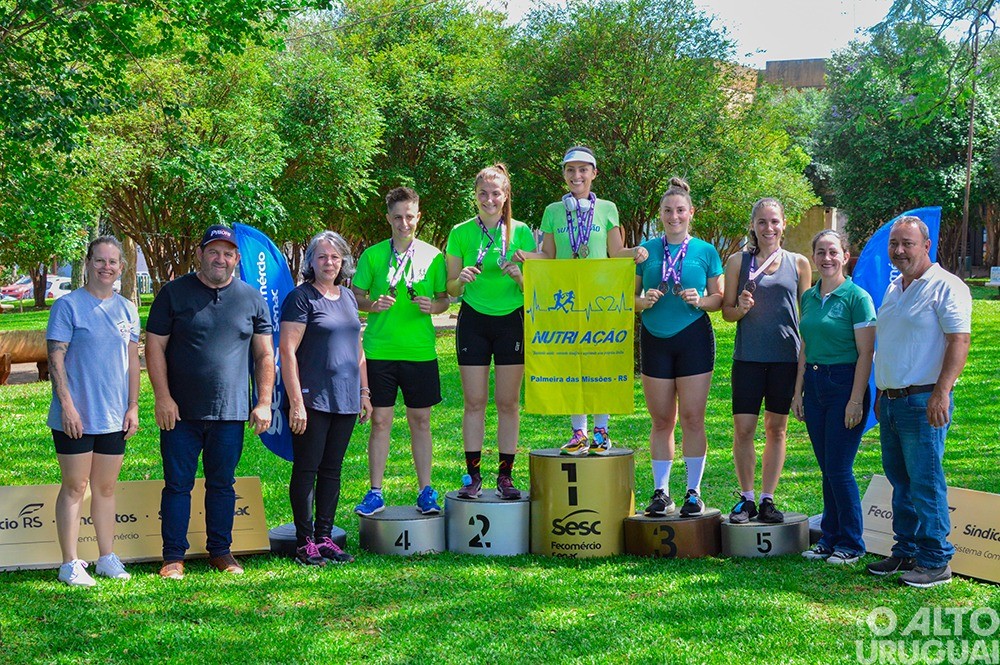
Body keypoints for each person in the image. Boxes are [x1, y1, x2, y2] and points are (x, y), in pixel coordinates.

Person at [146, 224, 274, 580]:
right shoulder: (173, 294)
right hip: (180, 413)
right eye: (214, 252)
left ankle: (221, 551)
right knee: (177, 485)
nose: (221, 259)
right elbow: (154, 347)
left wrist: (263, 402)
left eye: (228, 253)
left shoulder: (251, 298)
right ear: (200, 254)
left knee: (222, 484)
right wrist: (163, 397)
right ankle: (173, 556)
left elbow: (265, 355)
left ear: (236, 258)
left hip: (230, 412)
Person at [866, 216, 971, 588]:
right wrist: (880, 394)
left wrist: (942, 392)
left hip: (924, 400)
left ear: (927, 246)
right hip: (893, 402)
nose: (899, 251)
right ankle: (906, 551)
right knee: (901, 482)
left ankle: (936, 560)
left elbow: (959, 341)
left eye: (907, 244)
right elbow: (890, 347)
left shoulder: (947, 286)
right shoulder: (895, 288)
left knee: (925, 482)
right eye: (894, 243)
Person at [533, 145, 647, 455]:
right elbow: (548, 254)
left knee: (600, 360)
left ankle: (601, 431)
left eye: (583, 169)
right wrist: (525, 257)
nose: (577, 175)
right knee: (572, 361)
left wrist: (636, 253)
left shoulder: (608, 208)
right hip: (567, 299)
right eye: (570, 170)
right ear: (564, 176)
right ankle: (578, 432)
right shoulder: (553, 211)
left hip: (599, 298)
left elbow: (615, 252)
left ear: (594, 174)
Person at [47, 236, 140, 586]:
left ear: (121, 267)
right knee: (75, 486)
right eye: (99, 260)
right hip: (76, 416)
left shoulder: (127, 310)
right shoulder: (68, 306)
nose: (106, 267)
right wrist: (67, 406)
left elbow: (133, 363)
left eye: (113, 262)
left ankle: (106, 557)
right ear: (87, 263)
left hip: (113, 415)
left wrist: (133, 407)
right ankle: (70, 563)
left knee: (105, 488)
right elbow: (56, 358)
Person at [351, 188, 449, 516]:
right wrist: (372, 305)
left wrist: (433, 306)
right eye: (397, 217)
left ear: (418, 216)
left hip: (419, 351)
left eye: (409, 216)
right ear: (388, 218)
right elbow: (356, 296)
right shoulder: (373, 256)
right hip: (379, 350)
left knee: (420, 421)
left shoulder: (434, 256)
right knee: (381, 421)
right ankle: (375, 491)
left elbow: (444, 299)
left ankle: (426, 491)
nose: (404, 223)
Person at [281, 231, 372, 566]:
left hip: (346, 398)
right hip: (312, 397)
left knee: (332, 469)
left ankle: (325, 537)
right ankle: (304, 542)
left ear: (343, 261)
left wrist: (364, 391)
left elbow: (357, 349)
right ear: (311, 261)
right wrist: (297, 402)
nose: (329, 262)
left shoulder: (348, 298)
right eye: (322, 256)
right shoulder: (301, 298)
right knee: (307, 468)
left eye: (335, 257)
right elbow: (287, 351)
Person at [634, 178, 723, 517]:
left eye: (680, 211)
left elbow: (719, 299)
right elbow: (629, 298)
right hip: (655, 338)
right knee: (661, 420)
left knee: (692, 418)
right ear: (660, 214)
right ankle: (661, 492)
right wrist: (644, 301)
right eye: (668, 211)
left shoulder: (705, 251)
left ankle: (693, 492)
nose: (674, 217)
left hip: (693, 338)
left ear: (691, 213)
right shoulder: (646, 250)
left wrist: (701, 300)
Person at [446, 164, 536, 500]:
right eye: (483, 193)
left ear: (506, 195)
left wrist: (519, 277)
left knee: (508, 402)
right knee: (474, 402)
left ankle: (506, 476)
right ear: (475, 195)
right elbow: (451, 288)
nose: (489, 199)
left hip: (510, 320)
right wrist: (462, 279)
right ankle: (473, 477)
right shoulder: (461, 232)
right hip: (473, 321)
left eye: (495, 193)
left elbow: (534, 289)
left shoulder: (523, 232)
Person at [721, 198, 811, 524]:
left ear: (784, 223)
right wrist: (740, 309)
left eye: (774, 221)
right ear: (753, 225)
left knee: (777, 430)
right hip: (747, 359)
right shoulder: (737, 262)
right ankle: (746, 498)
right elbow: (727, 312)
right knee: (743, 430)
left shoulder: (799, 264)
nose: (768, 228)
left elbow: (807, 316)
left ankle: (767, 498)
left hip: (785, 360)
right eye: (762, 222)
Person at [791, 230, 875, 565]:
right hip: (814, 384)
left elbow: (866, 353)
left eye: (833, 252)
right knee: (827, 468)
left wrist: (856, 400)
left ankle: (851, 543)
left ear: (845, 255)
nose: (827, 258)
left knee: (840, 468)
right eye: (821, 252)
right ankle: (829, 538)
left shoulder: (857, 298)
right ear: (814, 256)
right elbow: (805, 346)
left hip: (845, 383)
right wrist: (797, 390)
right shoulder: (809, 297)